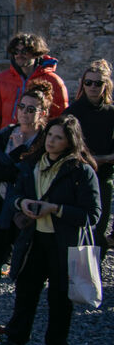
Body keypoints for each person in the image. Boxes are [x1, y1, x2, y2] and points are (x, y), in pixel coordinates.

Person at [0, 115, 102, 345]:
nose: (51, 142)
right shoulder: (32, 163)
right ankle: (15, 343)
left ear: (70, 142)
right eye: (50, 136)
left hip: (63, 244)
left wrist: (55, 209)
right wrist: (22, 204)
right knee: (25, 293)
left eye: (58, 138)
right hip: (34, 240)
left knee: (60, 300)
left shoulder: (81, 171)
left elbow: (92, 214)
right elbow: (15, 194)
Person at [0, 82, 52, 317]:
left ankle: (22, 313)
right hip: (1, 202)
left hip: (30, 208)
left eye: (31, 109)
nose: (24, 113)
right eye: (22, 107)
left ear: (43, 113)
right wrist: (15, 170)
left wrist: (15, 170)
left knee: (26, 260)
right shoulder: (4, 135)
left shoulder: (46, 141)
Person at [63, 60, 114, 249]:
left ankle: (95, 267)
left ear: (106, 85)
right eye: (88, 82)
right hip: (77, 176)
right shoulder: (72, 113)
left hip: (103, 177)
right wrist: (101, 158)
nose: (93, 87)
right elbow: (64, 147)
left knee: (98, 229)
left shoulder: (111, 113)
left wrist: (105, 159)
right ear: (82, 84)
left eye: (98, 83)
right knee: (75, 229)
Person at [0, 33, 69, 142]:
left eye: (24, 51)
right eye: (16, 51)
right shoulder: (2, 79)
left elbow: (60, 117)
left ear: (36, 53)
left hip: (39, 141)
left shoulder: (53, 81)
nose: (19, 55)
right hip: (7, 139)